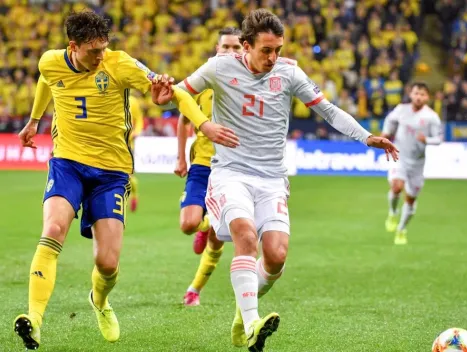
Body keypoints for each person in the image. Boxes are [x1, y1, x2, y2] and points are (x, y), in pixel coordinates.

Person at [157, 8, 398, 352]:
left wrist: (366, 136)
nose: (273, 57)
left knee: (276, 255)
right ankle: (255, 322)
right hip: (231, 173)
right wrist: (201, 122)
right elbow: (179, 93)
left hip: (272, 178)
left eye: (278, 50)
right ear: (245, 45)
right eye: (266, 50)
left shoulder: (289, 73)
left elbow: (327, 110)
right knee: (245, 233)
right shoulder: (219, 67)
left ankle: (243, 318)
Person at [13, 10, 238, 350]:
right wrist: (34, 121)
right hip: (68, 164)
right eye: (93, 51)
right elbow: (47, 79)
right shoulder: (50, 62)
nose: (101, 55)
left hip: (111, 173)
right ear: (73, 47)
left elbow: (172, 93)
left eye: (104, 48)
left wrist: (200, 124)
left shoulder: (119, 63)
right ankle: (34, 320)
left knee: (107, 262)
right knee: (53, 230)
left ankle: (99, 301)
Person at [174, 27, 243, 307]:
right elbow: (183, 120)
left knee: (218, 241)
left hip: (233, 168)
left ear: (245, 50)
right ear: (217, 49)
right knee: (189, 224)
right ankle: (205, 223)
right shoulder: (203, 83)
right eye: (225, 47)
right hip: (202, 165)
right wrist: (180, 158)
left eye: (236, 47)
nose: (230, 52)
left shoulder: (250, 85)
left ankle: (194, 290)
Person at [382, 82, 441, 245]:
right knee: (396, 187)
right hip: (399, 157)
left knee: (410, 200)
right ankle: (393, 212)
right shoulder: (401, 110)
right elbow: (389, 121)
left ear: (427, 97)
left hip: (417, 164)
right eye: (416, 93)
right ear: (411, 94)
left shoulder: (431, 117)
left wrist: (427, 139)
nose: (419, 97)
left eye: (422, 94)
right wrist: (385, 134)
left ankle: (401, 229)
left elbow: (439, 139)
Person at [129, 93, 144, 212]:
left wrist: (136, 132)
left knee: (128, 175)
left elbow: (139, 119)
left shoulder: (132, 101)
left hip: (128, 144)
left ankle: (134, 196)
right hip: (111, 144)